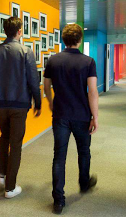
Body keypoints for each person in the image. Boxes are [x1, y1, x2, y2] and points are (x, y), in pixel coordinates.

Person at [0, 17, 41, 199]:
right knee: (15, 144)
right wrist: (37, 103)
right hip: (19, 105)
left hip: (1, 105)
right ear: (19, 31)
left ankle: (2, 176)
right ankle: (10, 188)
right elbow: (33, 80)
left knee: (4, 136)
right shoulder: (25, 51)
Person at [44, 24, 98, 215]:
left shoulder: (53, 60)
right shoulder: (88, 62)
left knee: (59, 156)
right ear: (80, 39)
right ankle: (84, 183)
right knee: (84, 151)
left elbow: (46, 86)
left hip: (60, 115)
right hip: (82, 115)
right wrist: (95, 117)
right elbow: (92, 92)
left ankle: (58, 201)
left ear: (64, 40)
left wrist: (51, 103)